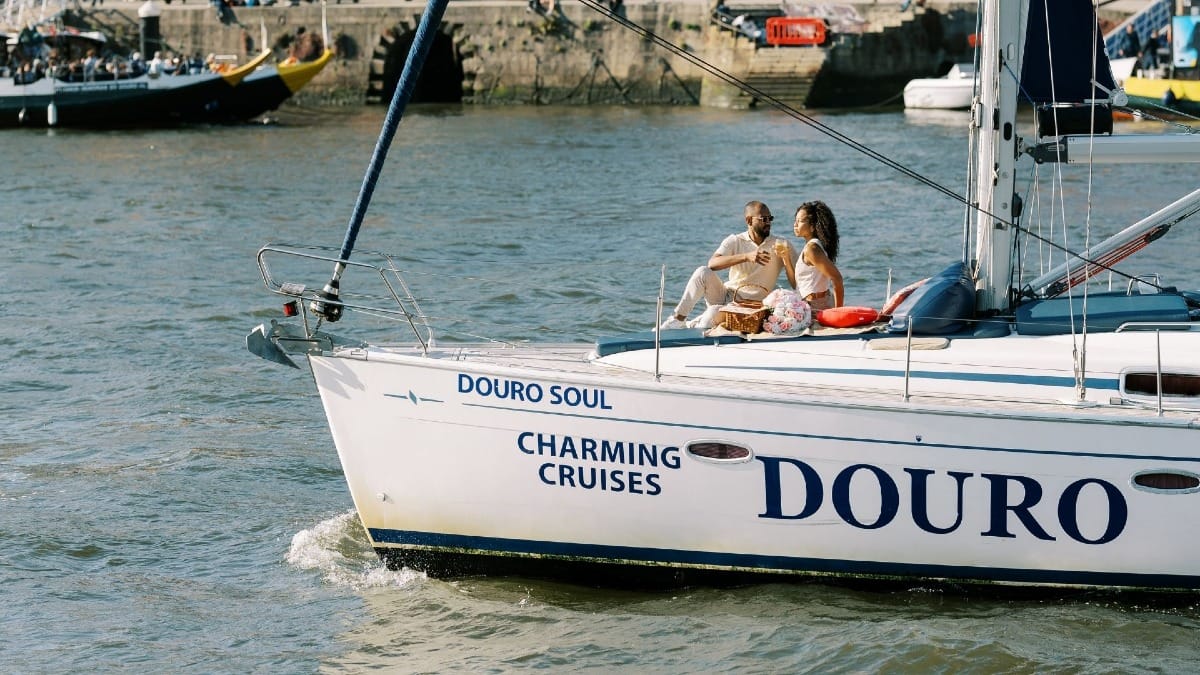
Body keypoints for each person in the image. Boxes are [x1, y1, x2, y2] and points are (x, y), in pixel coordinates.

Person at [660, 201, 795, 330]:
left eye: (770, 218)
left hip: (751, 305)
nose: (768, 223)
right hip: (725, 295)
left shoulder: (781, 244)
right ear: (749, 220)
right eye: (763, 219)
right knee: (702, 272)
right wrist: (746, 257)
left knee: (709, 318)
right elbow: (712, 264)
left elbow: (796, 283)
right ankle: (678, 320)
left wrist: (786, 259)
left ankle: (695, 323)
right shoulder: (735, 240)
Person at [791, 200, 844, 311]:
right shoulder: (814, 246)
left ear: (812, 227)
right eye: (795, 220)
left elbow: (837, 278)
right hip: (816, 302)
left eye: (800, 221)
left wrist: (838, 311)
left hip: (815, 306)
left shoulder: (812, 249)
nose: (795, 225)